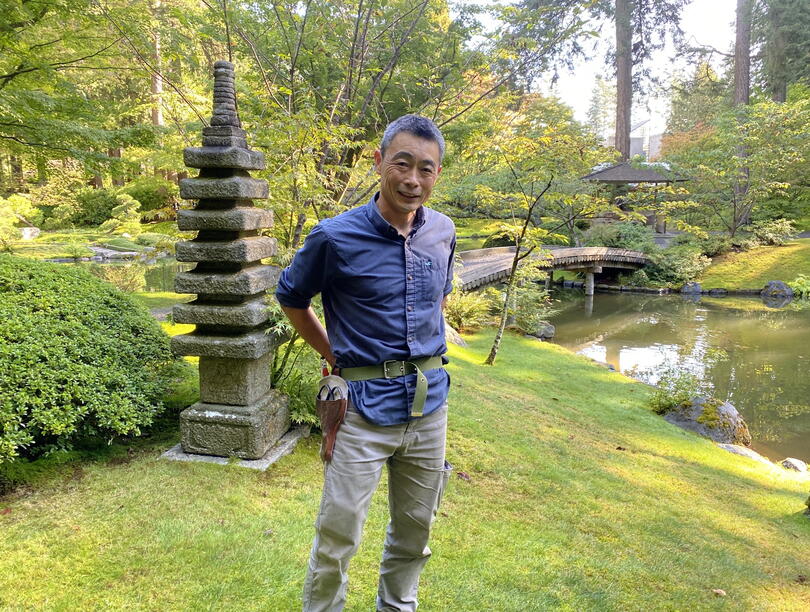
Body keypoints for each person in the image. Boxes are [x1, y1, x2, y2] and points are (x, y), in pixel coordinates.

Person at [275, 114, 456, 612]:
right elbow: (291, 297)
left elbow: (438, 298)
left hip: (428, 408)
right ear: (378, 162)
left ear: (437, 173)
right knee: (338, 537)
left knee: (416, 532)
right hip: (360, 410)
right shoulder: (334, 237)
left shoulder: (443, 231)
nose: (413, 179)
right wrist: (333, 353)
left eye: (426, 168)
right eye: (402, 164)